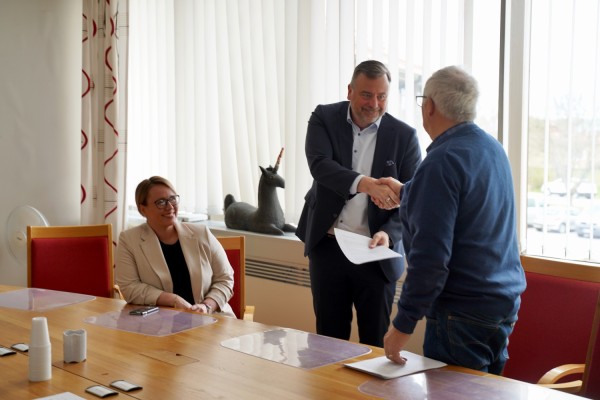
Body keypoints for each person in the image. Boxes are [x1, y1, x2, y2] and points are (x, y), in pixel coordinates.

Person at [380, 66, 526, 374]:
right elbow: (469, 209)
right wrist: (409, 191)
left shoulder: (441, 161)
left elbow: (431, 259)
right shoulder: (492, 148)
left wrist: (402, 326)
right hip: (501, 305)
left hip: (461, 313)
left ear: (429, 106)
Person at [296, 60, 422, 347]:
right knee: (328, 340)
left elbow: (413, 200)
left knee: (374, 343)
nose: (374, 103)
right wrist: (366, 184)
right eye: (366, 94)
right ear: (350, 90)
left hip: (375, 252)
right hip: (328, 246)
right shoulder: (324, 117)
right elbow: (320, 166)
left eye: (382, 96)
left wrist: (388, 234)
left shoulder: (405, 136)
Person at [115, 176, 236, 317]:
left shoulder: (201, 233)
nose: (170, 206)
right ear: (143, 209)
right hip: (160, 322)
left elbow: (225, 278)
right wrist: (173, 299)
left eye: (172, 199)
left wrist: (206, 306)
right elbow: (130, 287)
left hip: (211, 318)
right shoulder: (129, 240)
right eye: (161, 202)